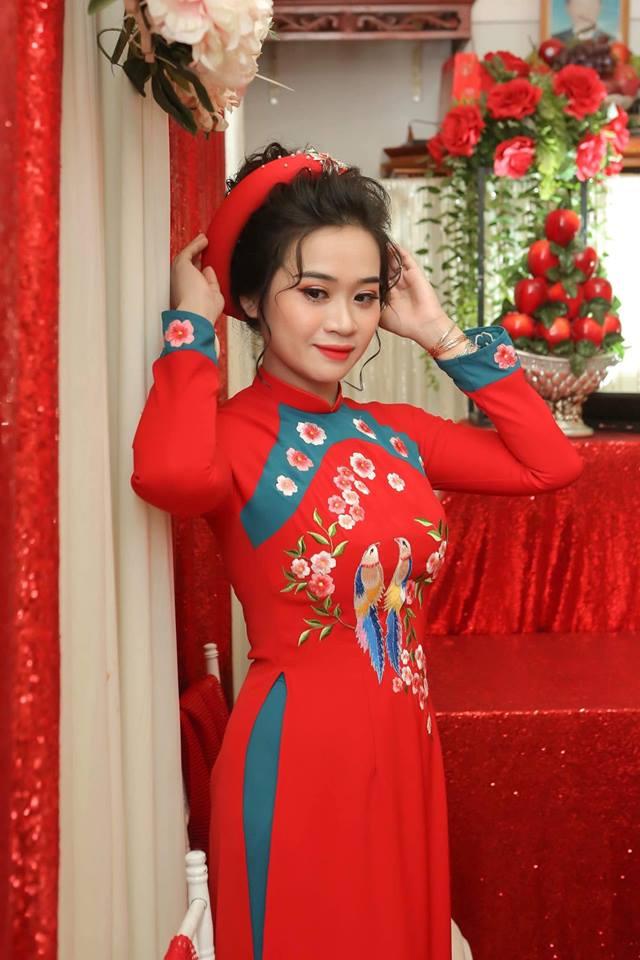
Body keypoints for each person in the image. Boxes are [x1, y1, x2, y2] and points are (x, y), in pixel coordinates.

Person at [131, 142, 584, 960]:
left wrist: (442, 334)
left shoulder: (396, 433)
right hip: (297, 759)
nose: (344, 322)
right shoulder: (235, 435)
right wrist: (192, 328)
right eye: (314, 292)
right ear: (251, 299)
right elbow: (167, 475)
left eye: (365, 296)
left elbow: (550, 464)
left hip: (407, 751)